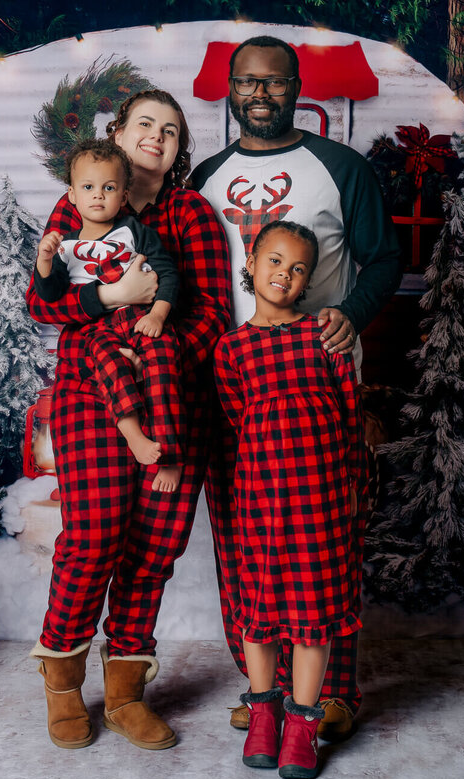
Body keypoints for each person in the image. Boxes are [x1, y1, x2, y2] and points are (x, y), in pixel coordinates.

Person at [190, 35, 402, 738]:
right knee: (243, 545)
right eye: (247, 82)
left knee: (323, 543)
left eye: (275, 83)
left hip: (316, 388)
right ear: (229, 86)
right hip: (236, 384)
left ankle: (330, 696)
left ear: (296, 86)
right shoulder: (205, 178)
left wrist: (349, 314)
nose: (260, 94)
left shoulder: (340, 167)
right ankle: (266, 698)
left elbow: (383, 259)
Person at [26, 90, 231, 751]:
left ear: (178, 150)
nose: (157, 136)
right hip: (91, 394)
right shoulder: (86, 194)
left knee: (153, 551)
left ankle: (124, 694)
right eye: (145, 123)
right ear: (116, 132)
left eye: (171, 130)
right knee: (94, 534)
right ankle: (62, 684)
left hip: (173, 397)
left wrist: (153, 346)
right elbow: (43, 303)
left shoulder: (191, 213)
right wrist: (108, 298)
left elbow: (215, 318)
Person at [214, 221, 366, 779]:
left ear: (308, 280)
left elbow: (349, 417)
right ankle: (263, 715)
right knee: (259, 610)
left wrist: (352, 485)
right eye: (275, 261)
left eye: (298, 267)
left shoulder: (323, 336)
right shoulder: (231, 349)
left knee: (313, 613)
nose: (285, 273)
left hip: (320, 500)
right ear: (251, 264)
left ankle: (302, 724)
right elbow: (236, 421)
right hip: (260, 498)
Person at [35, 138, 183, 492]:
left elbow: (169, 275)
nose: (98, 195)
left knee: (164, 360)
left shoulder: (136, 233)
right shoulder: (66, 245)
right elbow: (50, 294)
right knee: (108, 361)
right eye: (88, 187)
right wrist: (44, 260)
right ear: (72, 195)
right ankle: (133, 434)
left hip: (139, 316)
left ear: (124, 194)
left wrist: (159, 316)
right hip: (95, 326)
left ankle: (172, 457)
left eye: (109, 187)